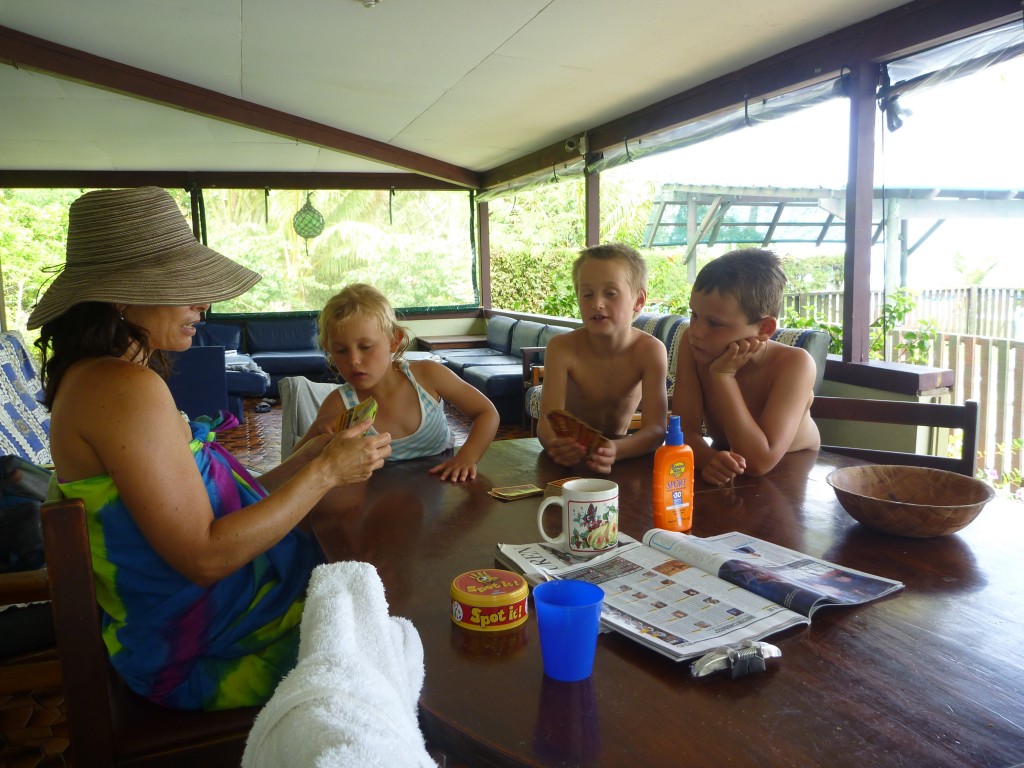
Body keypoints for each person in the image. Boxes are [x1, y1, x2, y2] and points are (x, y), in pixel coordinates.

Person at [29, 186, 392, 711]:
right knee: (391, 615)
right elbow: (204, 556)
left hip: (198, 621)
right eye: (184, 287)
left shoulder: (104, 379)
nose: (202, 303)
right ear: (121, 296)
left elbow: (207, 509)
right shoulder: (121, 389)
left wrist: (311, 456)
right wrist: (326, 475)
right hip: (206, 646)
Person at [294, 283, 499, 482]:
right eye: (341, 350)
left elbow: (486, 413)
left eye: (365, 347)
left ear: (394, 340)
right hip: (377, 494)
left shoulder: (428, 375)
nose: (353, 360)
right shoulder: (339, 404)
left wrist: (467, 457)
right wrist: (317, 430)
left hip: (442, 484)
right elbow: (293, 464)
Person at [671, 248, 820, 485]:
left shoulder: (795, 364)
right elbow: (682, 432)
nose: (696, 332)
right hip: (731, 468)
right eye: (694, 315)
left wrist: (723, 376)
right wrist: (708, 459)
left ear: (764, 328)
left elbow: (758, 462)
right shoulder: (692, 345)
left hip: (795, 471)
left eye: (714, 323)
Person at [537, 243, 668, 473]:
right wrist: (555, 443)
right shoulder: (561, 348)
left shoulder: (650, 351)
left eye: (610, 293)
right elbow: (547, 421)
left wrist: (617, 449)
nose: (596, 303)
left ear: (638, 301)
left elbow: (656, 430)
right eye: (587, 294)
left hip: (621, 457)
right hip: (568, 462)